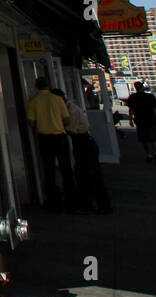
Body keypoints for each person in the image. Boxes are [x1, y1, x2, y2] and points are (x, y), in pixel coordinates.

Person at [56, 88, 111, 214]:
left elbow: (71, 128)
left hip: (83, 143)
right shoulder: (71, 108)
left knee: (90, 174)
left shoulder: (72, 110)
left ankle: (101, 205)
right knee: (83, 175)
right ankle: (88, 204)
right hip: (82, 142)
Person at [26, 76, 75, 210]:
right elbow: (67, 119)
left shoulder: (33, 102)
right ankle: (71, 198)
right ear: (48, 86)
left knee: (48, 168)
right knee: (66, 167)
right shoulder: (58, 99)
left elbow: (31, 122)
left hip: (44, 138)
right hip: (60, 137)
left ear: (37, 86)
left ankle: (52, 199)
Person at [126, 81, 156, 164]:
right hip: (151, 119)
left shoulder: (133, 97)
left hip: (140, 120)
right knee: (154, 137)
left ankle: (149, 154)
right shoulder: (150, 96)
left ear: (135, 88)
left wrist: (130, 119)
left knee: (144, 138)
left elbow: (131, 109)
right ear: (142, 87)